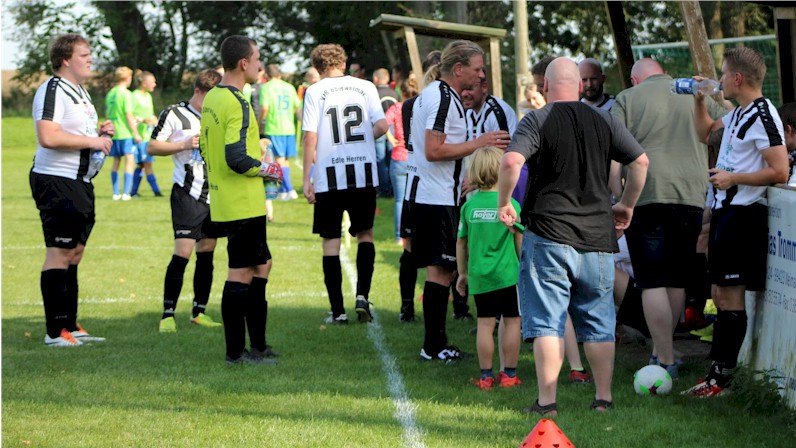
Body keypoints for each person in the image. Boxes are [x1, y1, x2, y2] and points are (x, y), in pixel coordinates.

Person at [498, 57, 649, 415]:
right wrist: (627, 204)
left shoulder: (537, 119)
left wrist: (504, 201)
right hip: (597, 235)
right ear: (580, 86)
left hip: (547, 233)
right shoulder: (603, 119)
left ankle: (547, 402)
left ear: (545, 87)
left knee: (548, 321)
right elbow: (640, 162)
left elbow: (510, 162)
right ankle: (603, 399)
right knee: (598, 319)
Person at [611, 58, 728, 377]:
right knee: (677, 280)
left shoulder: (627, 98)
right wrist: (713, 91)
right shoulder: (691, 91)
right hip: (690, 195)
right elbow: (728, 121)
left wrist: (620, 196)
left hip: (645, 194)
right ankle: (661, 353)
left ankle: (663, 358)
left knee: (651, 281)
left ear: (635, 80)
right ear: (665, 72)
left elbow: (614, 152)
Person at [683, 47, 789, 397]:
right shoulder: (738, 113)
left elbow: (780, 170)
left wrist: (734, 178)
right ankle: (717, 374)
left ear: (738, 78)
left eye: (724, 73)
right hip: (725, 212)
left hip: (743, 216)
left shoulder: (763, 114)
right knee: (719, 294)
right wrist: (699, 99)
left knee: (730, 298)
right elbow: (705, 134)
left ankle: (722, 380)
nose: (721, 80)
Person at [402, 40, 509, 362]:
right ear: (459, 69)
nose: (481, 75)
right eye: (477, 69)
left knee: (442, 271)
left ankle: (435, 343)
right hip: (434, 199)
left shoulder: (436, 94)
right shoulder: (442, 97)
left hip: (432, 194)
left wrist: (465, 172)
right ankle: (434, 346)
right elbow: (434, 150)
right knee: (441, 272)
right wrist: (480, 142)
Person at [200, 35, 283, 365]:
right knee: (240, 273)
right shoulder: (236, 101)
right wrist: (269, 168)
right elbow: (236, 158)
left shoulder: (213, 97)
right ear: (244, 62)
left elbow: (205, 146)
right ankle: (236, 353)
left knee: (262, 265)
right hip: (242, 202)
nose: (260, 65)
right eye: (257, 59)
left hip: (228, 199)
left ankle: (258, 345)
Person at [31, 33, 113, 346]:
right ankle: (55, 332)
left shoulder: (80, 91)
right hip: (57, 180)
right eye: (83, 55)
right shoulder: (52, 89)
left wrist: (99, 132)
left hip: (80, 183)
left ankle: (70, 325)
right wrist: (93, 141)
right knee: (60, 252)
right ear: (65, 59)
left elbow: (75, 131)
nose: (90, 60)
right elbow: (48, 136)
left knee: (75, 253)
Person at [302, 43, 389, 324]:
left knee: (331, 242)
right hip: (362, 172)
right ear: (343, 62)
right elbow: (383, 125)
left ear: (318, 67)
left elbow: (310, 136)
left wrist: (306, 177)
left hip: (329, 174)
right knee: (365, 235)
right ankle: (362, 295)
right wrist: (362, 140)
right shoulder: (366, 86)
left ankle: (338, 311)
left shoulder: (315, 91)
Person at [148, 69, 228, 333]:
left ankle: (199, 312)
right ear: (197, 91)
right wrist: (183, 144)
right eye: (209, 98)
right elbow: (152, 146)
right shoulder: (174, 114)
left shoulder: (219, 115)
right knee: (183, 251)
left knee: (207, 250)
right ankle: (167, 315)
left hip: (213, 193)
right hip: (186, 192)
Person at [456, 146, 523, 390]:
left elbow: (461, 243)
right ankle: (509, 375)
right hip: (508, 275)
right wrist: (523, 268)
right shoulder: (511, 204)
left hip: (480, 276)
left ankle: (486, 376)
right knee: (512, 321)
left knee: (485, 325)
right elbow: (519, 239)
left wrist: (462, 274)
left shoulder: (469, 207)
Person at [397, 50, 442, 323]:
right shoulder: (415, 105)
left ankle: (410, 307)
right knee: (414, 248)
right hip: (424, 183)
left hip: (421, 184)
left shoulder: (414, 104)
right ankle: (407, 306)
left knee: (436, 249)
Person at [259, 64, 301, 201]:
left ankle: (290, 189)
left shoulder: (266, 87)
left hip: (274, 126)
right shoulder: (289, 87)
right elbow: (297, 107)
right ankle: (283, 191)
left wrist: (259, 123)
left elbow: (265, 108)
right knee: (285, 160)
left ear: (267, 75)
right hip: (289, 127)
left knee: (278, 160)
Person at [385, 77, 419, 245]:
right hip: (416, 158)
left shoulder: (397, 107)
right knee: (416, 200)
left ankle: (400, 236)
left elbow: (383, 123)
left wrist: (391, 138)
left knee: (400, 200)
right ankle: (415, 232)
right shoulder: (421, 107)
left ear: (402, 92)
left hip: (399, 156)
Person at [106, 66, 140, 201]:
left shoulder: (110, 93)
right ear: (127, 78)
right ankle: (126, 193)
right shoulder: (126, 94)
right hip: (125, 132)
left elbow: (108, 113)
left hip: (114, 132)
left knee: (116, 161)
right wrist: (136, 133)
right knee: (129, 161)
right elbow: (128, 115)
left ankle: (116, 193)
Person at [130, 70, 163, 197]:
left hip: (148, 136)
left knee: (143, 164)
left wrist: (155, 120)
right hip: (140, 136)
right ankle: (156, 191)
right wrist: (142, 120)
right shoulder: (134, 96)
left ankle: (134, 192)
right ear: (144, 83)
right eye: (152, 82)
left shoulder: (148, 96)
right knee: (146, 163)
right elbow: (130, 115)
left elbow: (150, 114)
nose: (155, 84)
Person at [373, 67, 399, 197]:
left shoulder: (374, 94)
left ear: (376, 78)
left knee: (380, 159)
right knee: (391, 157)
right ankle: (393, 187)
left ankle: (384, 188)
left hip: (379, 127)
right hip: (393, 128)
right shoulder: (394, 93)